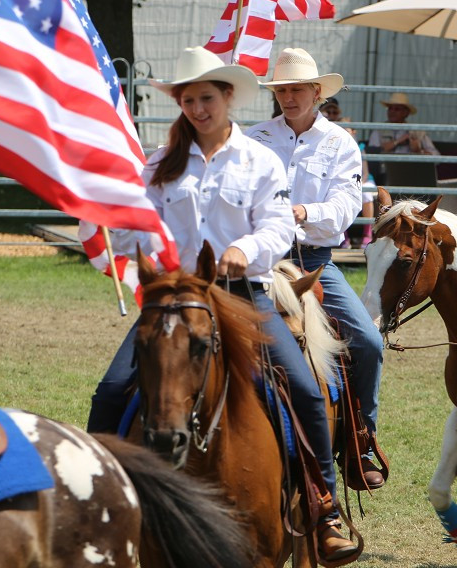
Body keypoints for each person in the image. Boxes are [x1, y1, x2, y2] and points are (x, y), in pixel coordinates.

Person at [86, 47, 359, 563]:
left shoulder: (260, 160)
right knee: (112, 389)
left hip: (243, 295)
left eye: (206, 98)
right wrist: (102, 220)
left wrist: (244, 249)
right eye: (188, 100)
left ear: (228, 97)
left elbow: (278, 227)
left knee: (302, 387)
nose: (197, 109)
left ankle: (323, 509)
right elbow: (129, 229)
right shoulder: (157, 165)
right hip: (173, 298)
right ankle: (98, 505)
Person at [249, 47, 387, 490]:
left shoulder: (340, 143)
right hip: (260, 260)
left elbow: (347, 206)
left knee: (366, 342)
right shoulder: (253, 139)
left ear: (316, 92)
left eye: (296, 90)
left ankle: (359, 441)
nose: (288, 97)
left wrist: (305, 212)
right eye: (282, 90)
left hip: (313, 262)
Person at [321, 97, 376, 247]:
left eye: (334, 111)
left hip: (361, 179)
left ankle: (367, 232)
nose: (331, 114)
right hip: (344, 178)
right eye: (328, 111)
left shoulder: (360, 147)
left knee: (365, 192)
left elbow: (364, 172)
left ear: (353, 131)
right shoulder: (333, 144)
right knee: (334, 192)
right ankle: (342, 234)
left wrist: (359, 183)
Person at [368, 92, 440, 156]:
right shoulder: (378, 131)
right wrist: (398, 142)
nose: (392, 112)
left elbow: (436, 156)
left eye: (397, 109)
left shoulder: (418, 132)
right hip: (384, 170)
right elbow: (372, 154)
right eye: (390, 108)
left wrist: (419, 151)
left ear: (406, 113)